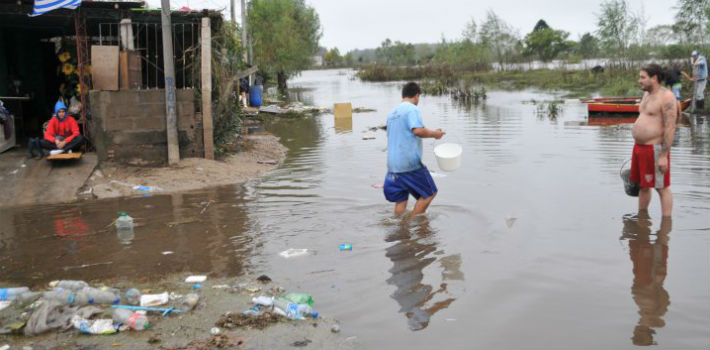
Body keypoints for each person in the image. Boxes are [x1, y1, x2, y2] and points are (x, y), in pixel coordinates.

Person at [383, 82, 445, 216]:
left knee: (401, 200)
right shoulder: (412, 109)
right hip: (409, 164)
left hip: (393, 166)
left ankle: (401, 230)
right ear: (417, 96)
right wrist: (435, 134)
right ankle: (409, 223)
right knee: (430, 193)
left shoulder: (392, 113)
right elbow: (418, 130)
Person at [630, 64, 677, 217]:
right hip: (639, 148)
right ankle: (642, 219)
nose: (639, 81)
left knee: (661, 187)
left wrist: (663, 156)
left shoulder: (666, 97)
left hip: (655, 149)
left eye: (643, 77)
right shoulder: (646, 94)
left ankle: (665, 227)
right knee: (642, 186)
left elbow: (670, 127)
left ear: (654, 78)